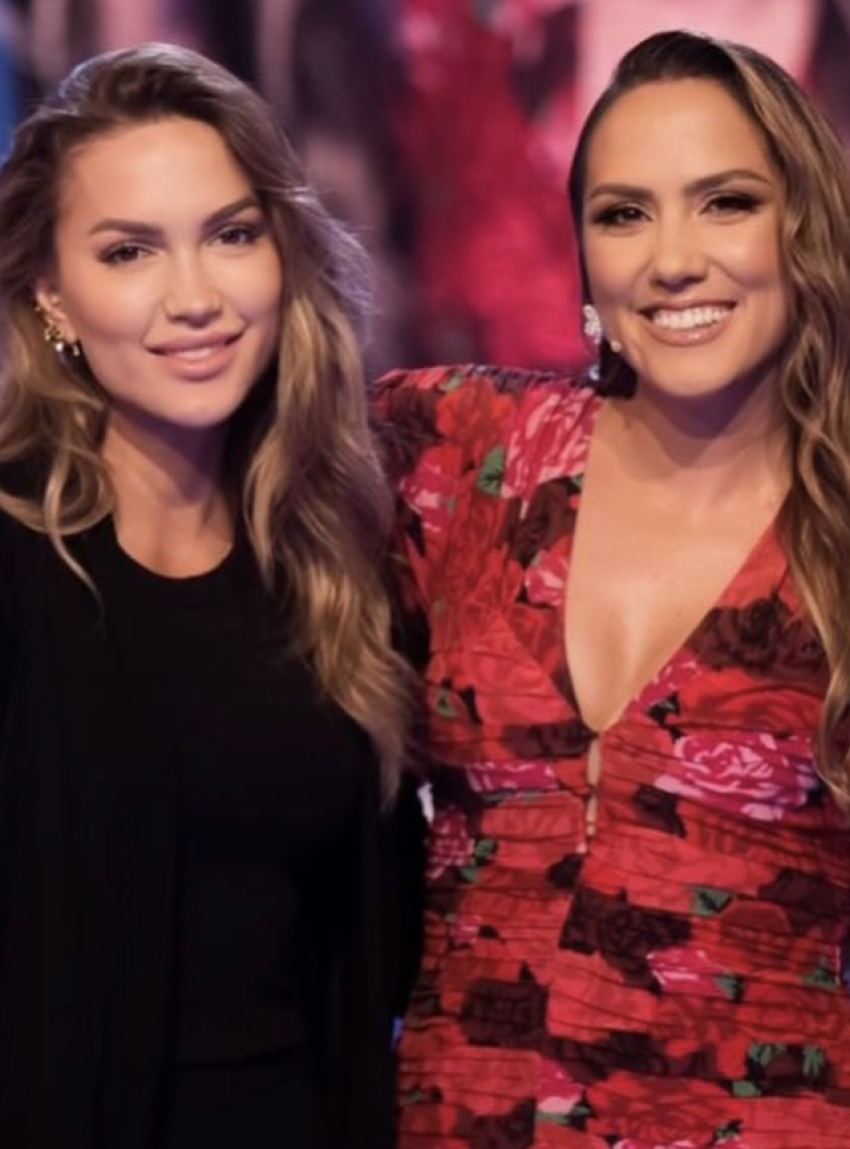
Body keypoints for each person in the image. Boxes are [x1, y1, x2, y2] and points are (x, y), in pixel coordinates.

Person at [377, 28, 850, 1148]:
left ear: (805, 226)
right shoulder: (456, 451)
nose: (671, 259)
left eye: (726, 203)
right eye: (624, 214)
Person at [0, 42, 423, 1149]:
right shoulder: (16, 563)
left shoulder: (332, 560)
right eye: (129, 251)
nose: (195, 298)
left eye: (232, 235)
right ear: (50, 295)